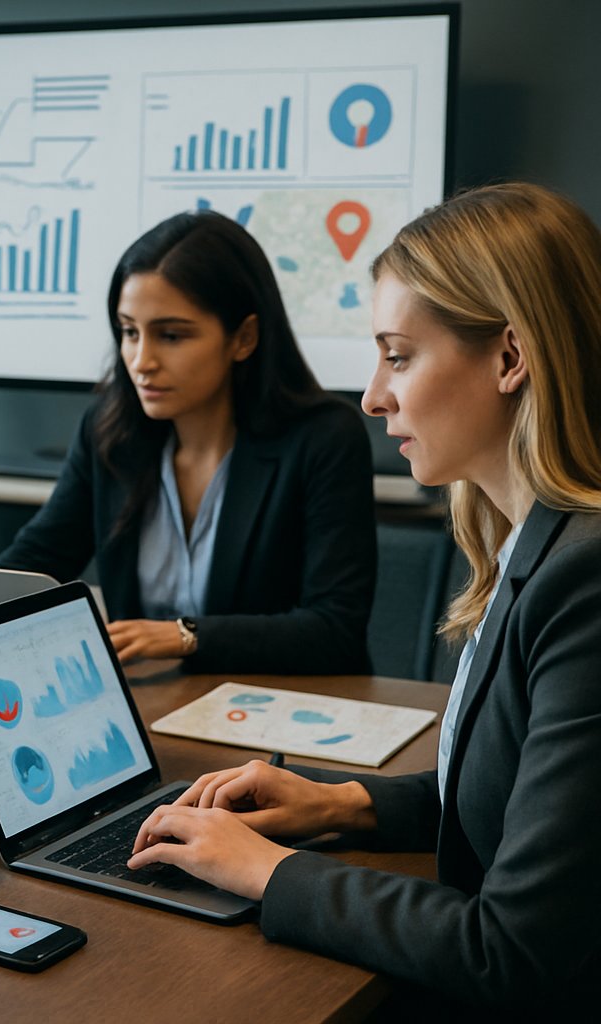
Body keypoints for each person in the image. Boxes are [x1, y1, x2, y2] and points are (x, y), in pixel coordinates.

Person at [128, 183, 601, 1010]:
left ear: (510, 358)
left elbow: (514, 950)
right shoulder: (538, 546)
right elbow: (508, 799)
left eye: (399, 355)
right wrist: (338, 802)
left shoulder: (584, 579)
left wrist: (267, 870)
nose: (374, 396)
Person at [0, 211, 375, 674]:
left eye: (171, 336)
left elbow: (335, 630)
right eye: (130, 331)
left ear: (245, 338)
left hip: (278, 708)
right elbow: (38, 561)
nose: (140, 360)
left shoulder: (324, 438)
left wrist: (183, 636)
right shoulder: (109, 430)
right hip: (152, 703)